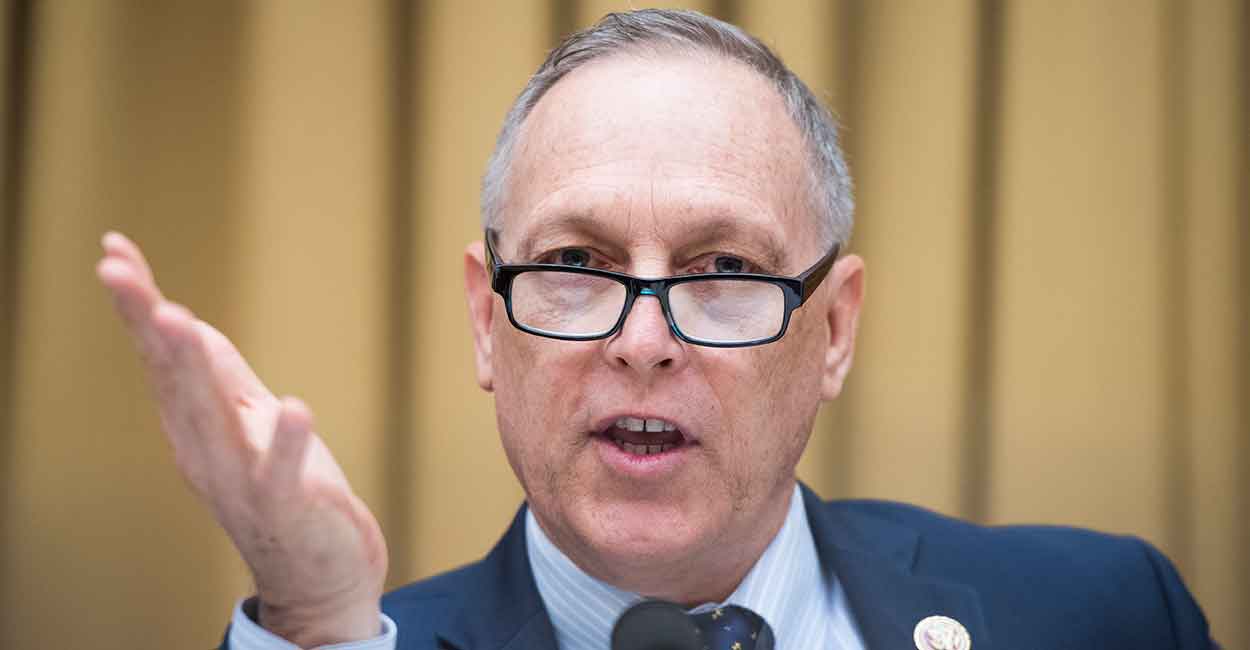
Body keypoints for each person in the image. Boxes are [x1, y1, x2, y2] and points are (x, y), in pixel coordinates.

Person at [96, 9, 1215, 650]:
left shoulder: (1104, 611)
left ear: (833, 329)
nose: (642, 341)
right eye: (577, 265)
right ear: (486, 321)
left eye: (722, 269)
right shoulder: (344, 643)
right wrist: (314, 622)